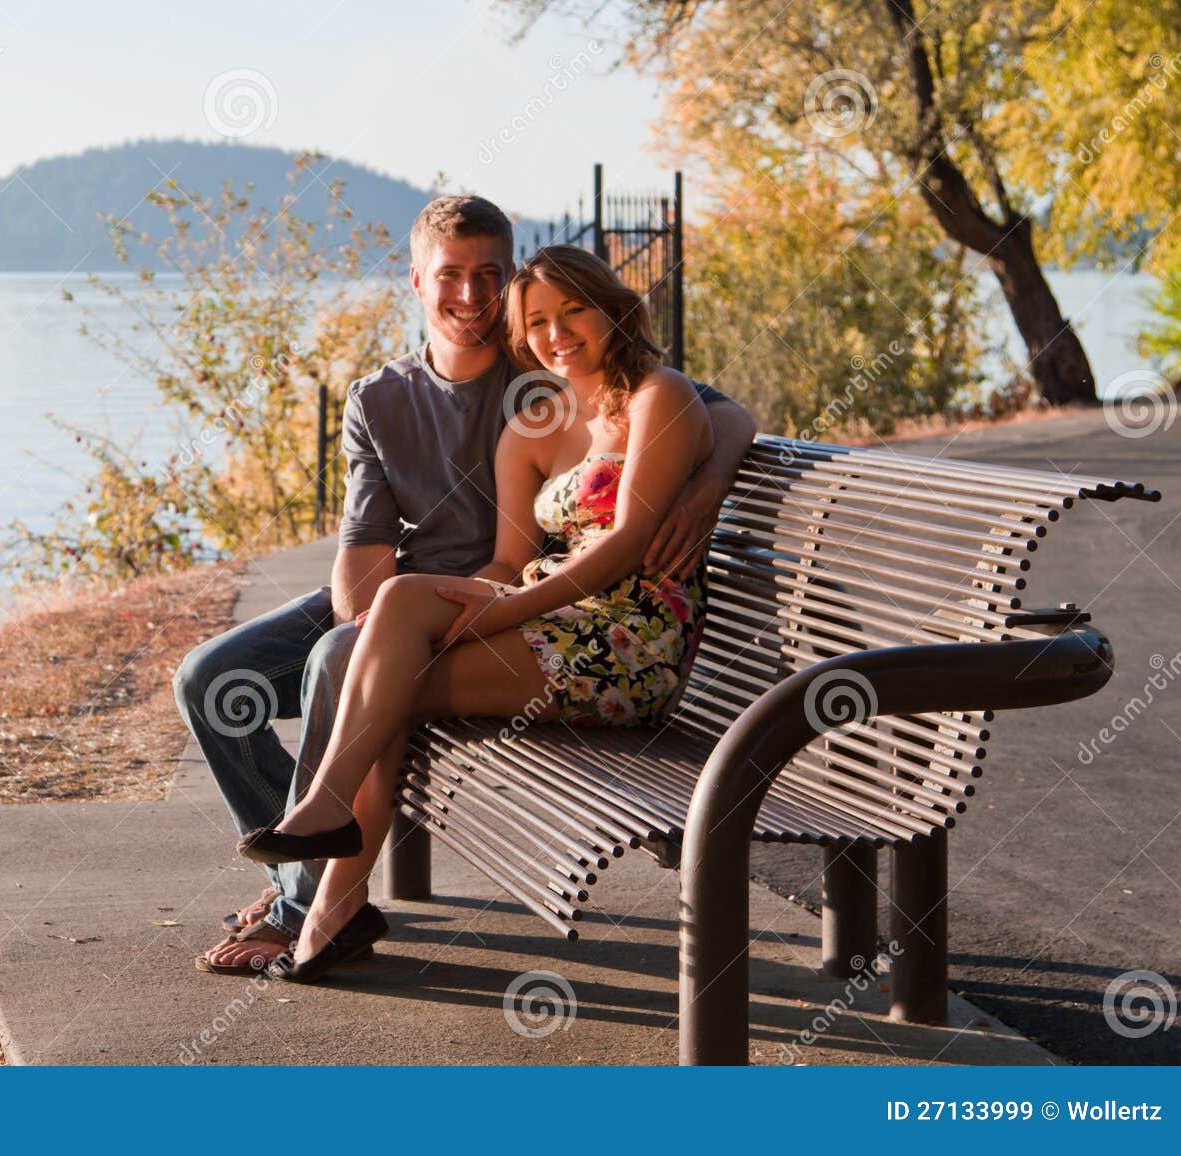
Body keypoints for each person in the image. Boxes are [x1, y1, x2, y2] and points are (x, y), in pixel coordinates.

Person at [175, 196, 756, 976]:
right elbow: (367, 547)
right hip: (452, 592)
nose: (474, 297)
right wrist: (379, 621)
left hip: (549, 611)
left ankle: (301, 902)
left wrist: (709, 484)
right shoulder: (385, 398)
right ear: (417, 280)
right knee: (214, 678)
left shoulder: (548, 360)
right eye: (452, 276)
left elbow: (716, 412)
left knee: (347, 664)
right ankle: (300, 863)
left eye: (491, 276)